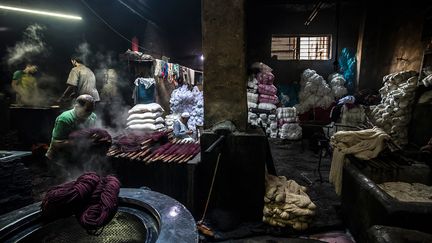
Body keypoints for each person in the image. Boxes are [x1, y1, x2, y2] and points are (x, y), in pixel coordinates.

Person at [46, 94, 97, 160]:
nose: (89, 113)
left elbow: (90, 134)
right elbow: (57, 143)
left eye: (91, 110)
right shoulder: (65, 119)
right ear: (77, 106)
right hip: (58, 157)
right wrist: (80, 142)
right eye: (87, 110)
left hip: (76, 157)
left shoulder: (93, 117)